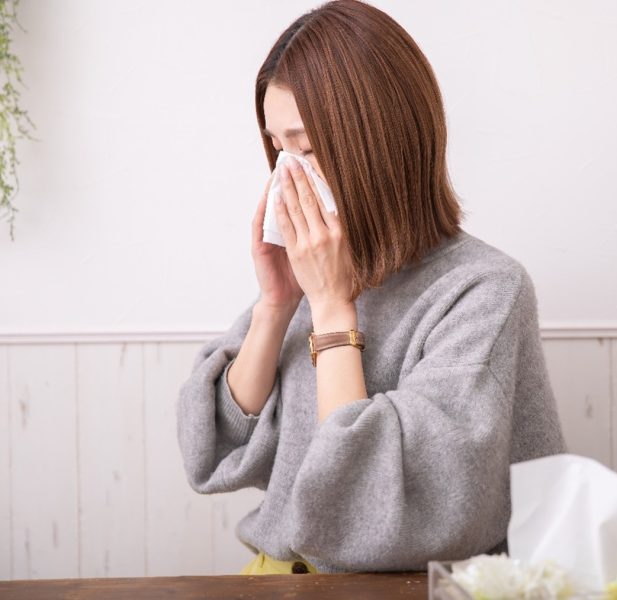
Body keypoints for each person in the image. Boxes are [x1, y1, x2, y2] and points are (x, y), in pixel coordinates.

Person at [176, 0, 567, 576]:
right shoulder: (311, 275)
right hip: (276, 578)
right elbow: (213, 447)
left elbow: (383, 516)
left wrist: (334, 309)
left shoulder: (483, 290)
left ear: (379, 141)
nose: (289, 174)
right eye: (277, 149)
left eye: (307, 149)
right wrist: (277, 304)